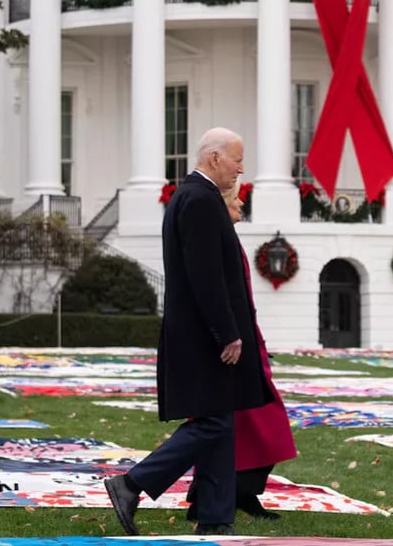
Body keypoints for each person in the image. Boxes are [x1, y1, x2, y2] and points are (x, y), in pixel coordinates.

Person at [103, 128, 272, 537]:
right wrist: (226, 332)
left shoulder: (196, 197)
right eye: (237, 159)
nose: (241, 168)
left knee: (221, 419)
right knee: (213, 423)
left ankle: (214, 517)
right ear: (214, 158)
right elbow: (205, 276)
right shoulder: (199, 200)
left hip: (200, 333)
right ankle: (132, 483)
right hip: (203, 337)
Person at [185, 180, 298, 522]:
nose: (241, 209)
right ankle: (224, 495)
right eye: (237, 204)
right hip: (231, 349)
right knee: (257, 425)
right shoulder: (221, 239)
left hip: (244, 344)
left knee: (255, 426)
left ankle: (231, 494)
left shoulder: (230, 240)